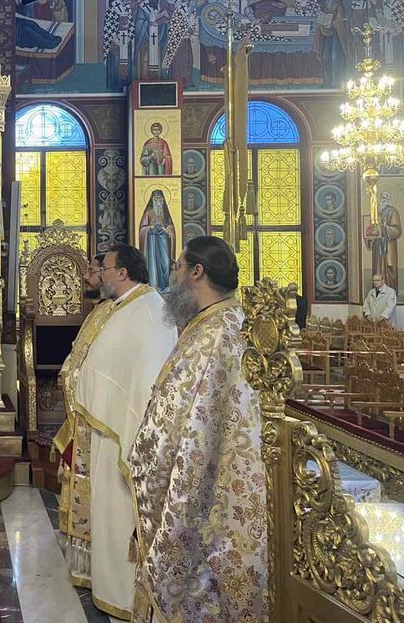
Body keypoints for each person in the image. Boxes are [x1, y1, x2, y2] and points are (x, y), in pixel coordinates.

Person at [130, 236, 269, 622]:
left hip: (204, 485)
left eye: (177, 266)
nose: (172, 274)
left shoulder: (211, 337)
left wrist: (141, 457)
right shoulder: (230, 323)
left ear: (197, 272)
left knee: (198, 576)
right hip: (228, 480)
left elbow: (174, 425)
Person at [70, 244, 176, 619]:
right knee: (108, 511)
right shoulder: (128, 306)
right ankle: (109, 585)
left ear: (123, 273)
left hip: (125, 432)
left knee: (120, 512)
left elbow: (140, 376)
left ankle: (123, 594)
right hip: (112, 424)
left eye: (107, 268)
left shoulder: (147, 310)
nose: (101, 275)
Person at [51, 253, 116, 536]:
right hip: (82, 406)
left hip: (94, 411)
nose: (85, 277)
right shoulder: (100, 310)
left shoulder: (113, 313)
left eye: (91, 271)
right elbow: (79, 351)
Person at [138, 190, 175, 293]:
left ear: (163, 200)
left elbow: (171, 228)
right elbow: (142, 229)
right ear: (152, 200)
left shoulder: (165, 213)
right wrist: (149, 228)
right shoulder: (148, 212)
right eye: (156, 199)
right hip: (151, 241)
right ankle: (153, 285)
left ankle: (165, 286)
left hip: (163, 240)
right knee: (152, 262)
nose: (158, 201)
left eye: (160, 199)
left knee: (165, 262)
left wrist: (167, 230)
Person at [372, 192, 402, 291]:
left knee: (390, 267)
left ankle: (390, 290)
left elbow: (397, 230)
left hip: (389, 246)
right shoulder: (377, 212)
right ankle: (378, 289)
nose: (382, 200)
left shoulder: (393, 212)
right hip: (378, 246)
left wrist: (384, 228)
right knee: (378, 267)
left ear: (388, 200)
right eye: (381, 198)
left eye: (384, 198)